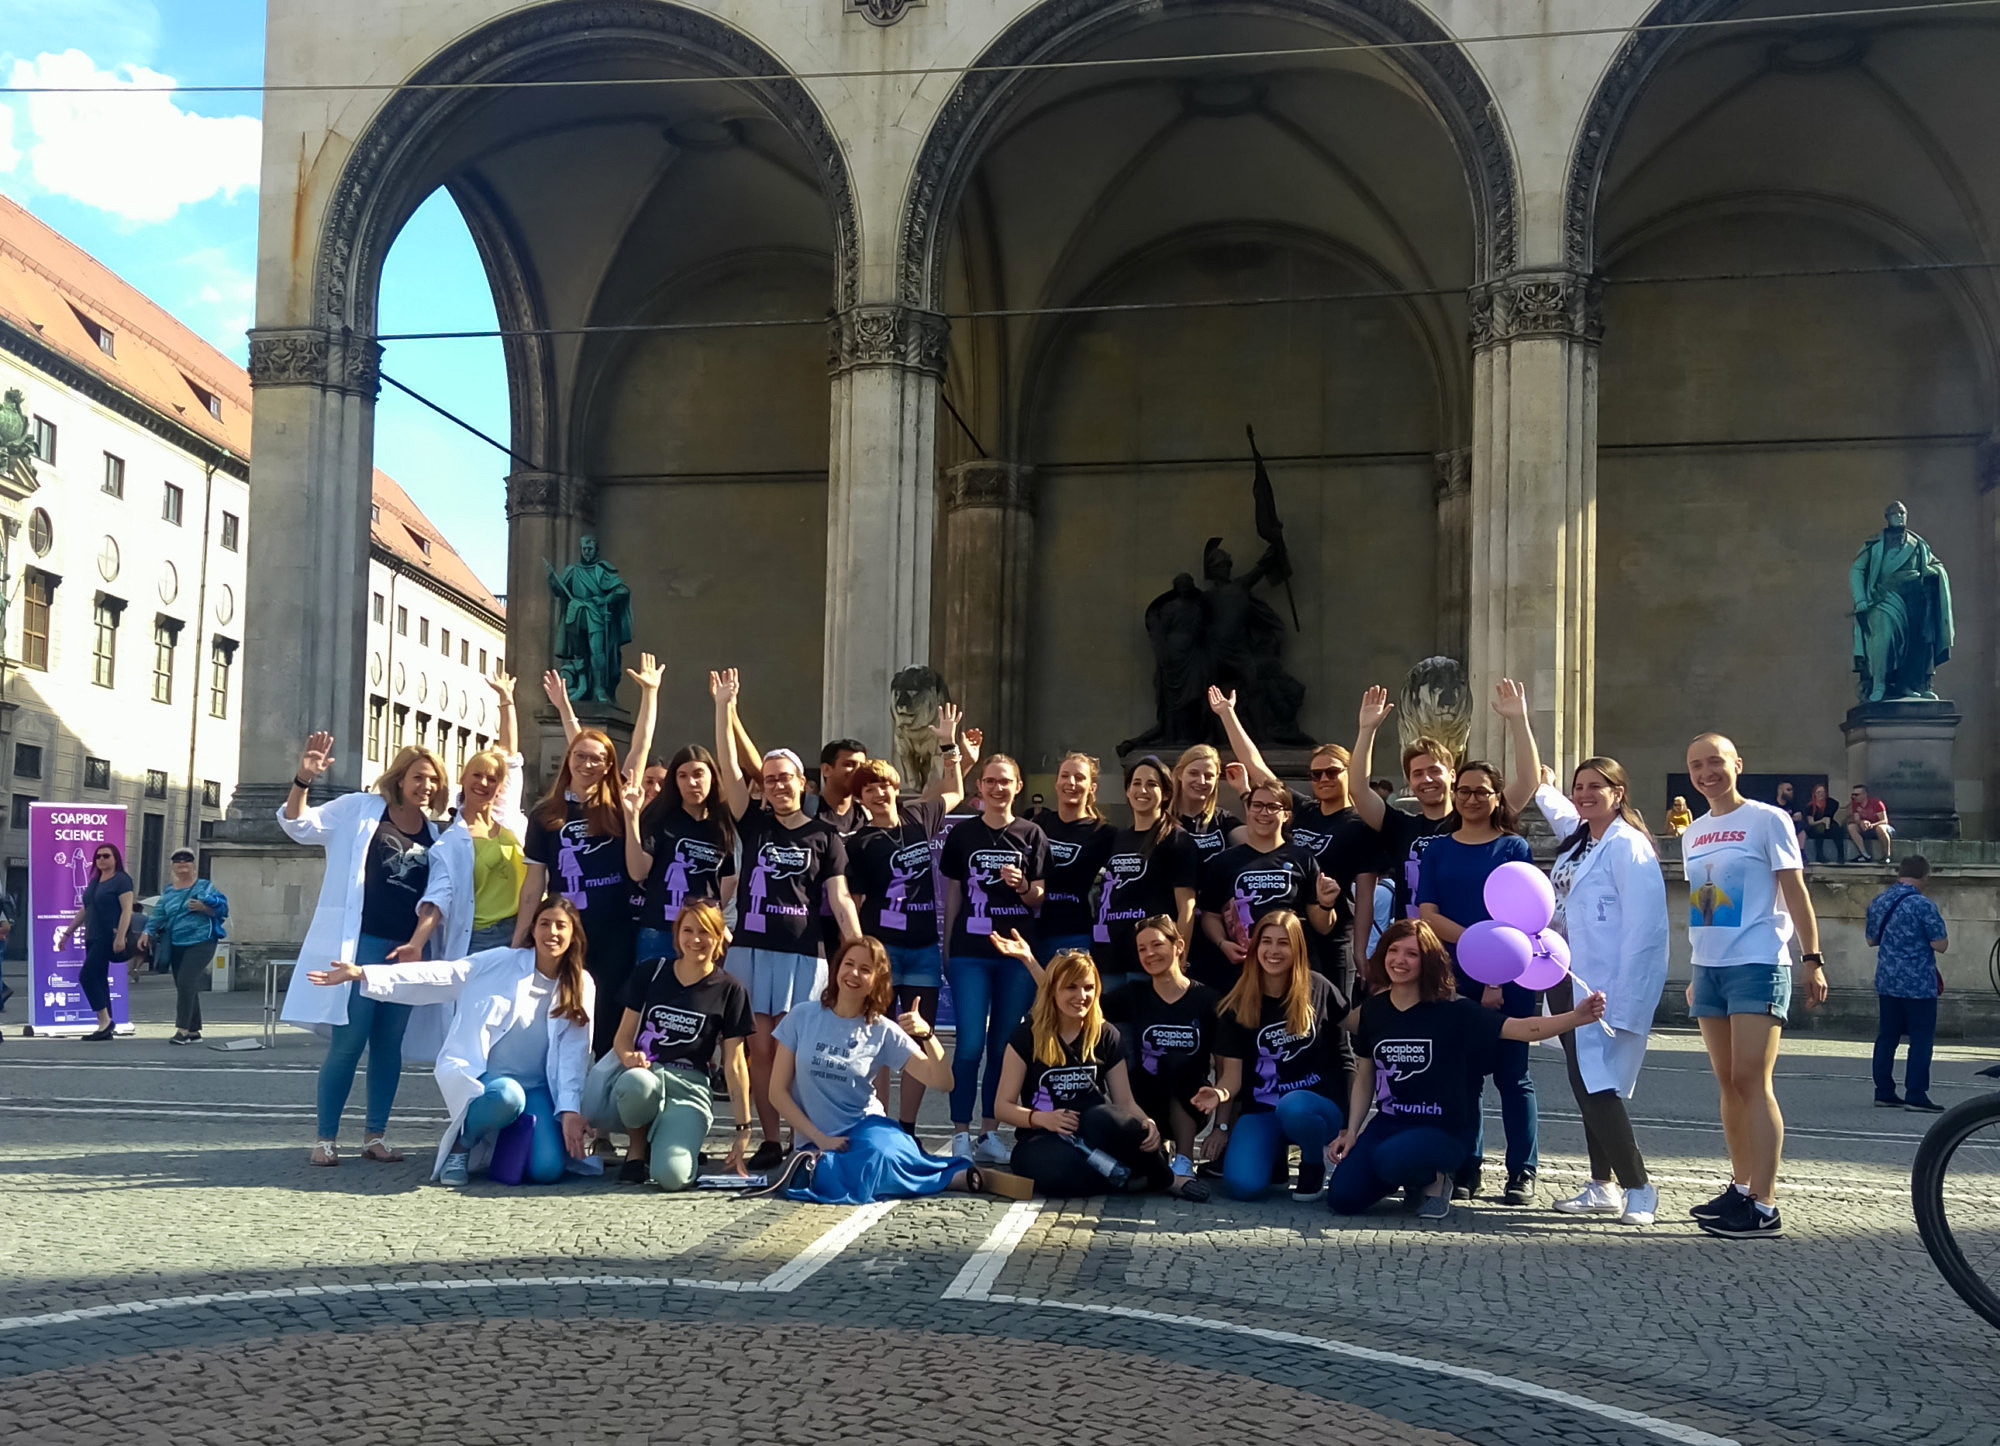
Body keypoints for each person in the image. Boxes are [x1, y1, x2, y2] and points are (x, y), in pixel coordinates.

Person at [1498, 680, 1669, 1225]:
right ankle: (1603, 1185)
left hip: (1603, 988)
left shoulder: (1628, 847)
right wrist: (1519, 721)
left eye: (1597, 786)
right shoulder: (1583, 837)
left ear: (1620, 793)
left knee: (1598, 1086)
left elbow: (1646, 933)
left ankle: (1639, 1188)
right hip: (1566, 978)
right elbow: (1542, 788)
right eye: (1580, 787)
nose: (1585, 794)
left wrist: (1621, 1000)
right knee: (1583, 1080)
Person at [308, 894, 595, 1185]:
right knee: (508, 1097)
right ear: (532, 929)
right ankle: (463, 1143)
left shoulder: (582, 984)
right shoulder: (501, 962)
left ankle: (506, 1136)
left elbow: (574, 1054)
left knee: (547, 1170)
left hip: (538, 1088)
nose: (552, 933)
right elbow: (443, 974)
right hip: (491, 1082)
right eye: (545, 924)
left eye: (561, 926)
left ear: (573, 934)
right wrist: (364, 973)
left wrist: (570, 1110)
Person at [1328, 920, 1607, 1219]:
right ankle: (1407, 1177)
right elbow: (1365, 1076)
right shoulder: (1374, 1010)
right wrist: (1352, 1132)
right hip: (1390, 1123)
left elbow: (1524, 1029)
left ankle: (1436, 1178)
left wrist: (1576, 1017)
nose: (1400, 960)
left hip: (1442, 1129)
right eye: (1393, 950)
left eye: (1412, 953)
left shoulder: (1454, 1011)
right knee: (1342, 1198)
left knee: (1389, 1159)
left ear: (1428, 961)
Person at [711, 669, 862, 1169]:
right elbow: (730, 770)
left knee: (794, 1056)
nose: (777, 785)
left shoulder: (826, 836)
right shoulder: (751, 821)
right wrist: (724, 707)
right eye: (770, 779)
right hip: (752, 950)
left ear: (804, 783)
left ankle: (802, 1139)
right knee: (758, 1052)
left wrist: (860, 952)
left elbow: (840, 901)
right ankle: (770, 1140)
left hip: (804, 955)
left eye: (785, 778)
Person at [1682, 731, 1827, 1239]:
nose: (1707, 773)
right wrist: (1698, 966)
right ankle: (1741, 1188)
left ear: (1737, 764)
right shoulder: (1693, 831)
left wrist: (1812, 957)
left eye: (1715, 762)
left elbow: (1794, 888)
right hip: (1711, 968)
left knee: (1751, 1080)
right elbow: (1707, 899)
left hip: (1759, 961)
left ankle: (1765, 1204)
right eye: (1697, 766)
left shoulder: (1769, 819)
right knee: (1726, 1083)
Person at [279, 734, 449, 1165]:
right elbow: (299, 826)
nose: (425, 786)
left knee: (389, 1046)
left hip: (406, 952)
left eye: (433, 780)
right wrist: (304, 778)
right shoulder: (360, 809)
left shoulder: (436, 834)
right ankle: (325, 1139)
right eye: (418, 777)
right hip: (362, 944)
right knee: (349, 1041)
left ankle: (375, 1135)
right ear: (400, 777)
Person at [1415, 737, 1537, 1204]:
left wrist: (1493, 971)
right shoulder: (1439, 849)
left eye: (1481, 791)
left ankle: (1522, 1171)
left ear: (1496, 797)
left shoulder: (1513, 846)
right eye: (1463, 791)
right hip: (1452, 975)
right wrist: (1477, 948)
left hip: (1508, 976)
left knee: (1512, 1076)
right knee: (1463, 1077)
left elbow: (1520, 914)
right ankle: (1469, 1164)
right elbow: (1428, 912)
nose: (1470, 799)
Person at [768, 936, 977, 1202]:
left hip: (867, 1129)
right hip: (815, 1140)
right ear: (837, 968)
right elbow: (777, 1092)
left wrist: (928, 1036)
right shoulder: (802, 1016)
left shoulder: (882, 1029)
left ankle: (947, 1176)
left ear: (877, 980)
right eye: (849, 964)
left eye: (865, 969)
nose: (854, 974)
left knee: (880, 1154)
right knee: (827, 1172)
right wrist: (819, 1137)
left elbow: (943, 1082)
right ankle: (940, 1177)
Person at [992, 947, 1207, 1200]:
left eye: (1088, 987)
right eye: (1070, 987)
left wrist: (1147, 1122)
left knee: (1112, 1120)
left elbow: (1125, 1101)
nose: (1081, 996)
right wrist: (1042, 1119)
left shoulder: (1106, 1034)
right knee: (1061, 1175)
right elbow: (1002, 1107)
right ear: (1052, 991)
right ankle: (1124, 1177)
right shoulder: (1026, 1035)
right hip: (1043, 1134)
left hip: (1096, 1127)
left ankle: (1165, 1179)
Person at [1208, 686, 1380, 988]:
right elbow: (1256, 765)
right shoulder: (1302, 809)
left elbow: (1366, 893)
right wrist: (1227, 714)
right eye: (1316, 775)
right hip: (1292, 937)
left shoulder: (1359, 823)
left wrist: (1360, 949)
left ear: (1347, 772)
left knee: (1331, 1013)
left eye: (1331, 772)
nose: (1323, 779)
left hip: (1335, 932)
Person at [843, 714, 968, 1129]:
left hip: (922, 951)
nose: (879, 793)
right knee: (878, 1038)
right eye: (870, 788)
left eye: (885, 785)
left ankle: (909, 1126)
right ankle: (876, 1120)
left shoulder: (919, 818)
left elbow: (954, 790)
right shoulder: (858, 843)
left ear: (897, 789)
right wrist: (859, 955)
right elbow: (855, 901)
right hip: (883, 951)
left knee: (917, 1037)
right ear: (861, 798)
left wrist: (949, 746)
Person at [583, 899, 754, 1188]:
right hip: (646, 1075)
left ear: (719, 936)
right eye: (687, 931)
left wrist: (743, 1129)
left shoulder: (731, 989)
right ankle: (636, 1153)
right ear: (677, 934)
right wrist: (629, 1058)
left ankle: (668, 1142)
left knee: (672, 1177)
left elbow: (736, 1065)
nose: (695, 939)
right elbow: (623, 1038)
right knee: (637, 1084)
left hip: (690, 1086)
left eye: (705, 932)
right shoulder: (652, 971)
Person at [940, 753, 1051, 1165]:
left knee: (1003, 1046)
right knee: (968, 1043)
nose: (997, 788)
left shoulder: (1032, 834)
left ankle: (990, 1131)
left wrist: (1024, 887)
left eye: (1005, 781)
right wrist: (948, 946)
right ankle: (959, 1132)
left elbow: (1040, 896)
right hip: (970, 953)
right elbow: (952, 894)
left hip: (1017, 954)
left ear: (1017, 787)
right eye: (990, 781)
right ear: (980, 788)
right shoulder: (963, 836)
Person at [516, 727, 647, 1060]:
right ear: (569, 760)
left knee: (608, 1015)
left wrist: (650, 695)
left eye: (598, 759)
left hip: (615, 930)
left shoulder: (621, 808)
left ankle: (600, 1099)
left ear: (608, 766)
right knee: (563, 1011)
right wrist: (520, 938)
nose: (588, 765)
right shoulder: (545, 814)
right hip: (565, 933)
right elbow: (533, 885)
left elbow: (641, 743)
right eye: (581, 756)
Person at [1213, 910, 1350, 1200]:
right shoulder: (1236, 1002)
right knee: (1243, 1186)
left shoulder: (1319, 987)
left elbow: (1345, 1053)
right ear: (1255, 947)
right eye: (1266, 942)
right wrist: (1219, 1100)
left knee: (1293, 1106)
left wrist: (1349, 1124)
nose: (1273, 951)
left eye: (1283, 943)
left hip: (1316, 1108)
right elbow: (1231, 1078)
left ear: (1297, 948)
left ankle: (1312, 1162)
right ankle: (1273, 1156)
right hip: (1262, 1108)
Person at [403, 671, 528, 965]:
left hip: (523, 933)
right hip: (479, 940)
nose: (484, 783)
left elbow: (509, 754)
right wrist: (416, 944)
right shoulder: (450, 843)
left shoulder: (508, 817)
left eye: (492, 778)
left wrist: (506, 700)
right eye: (477, 775)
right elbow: (437, 899)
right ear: (463, 777)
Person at [1100, 916, 1238, 1173]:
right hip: (1143, 1103)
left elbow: (1227, 1071)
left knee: (1175, 1061)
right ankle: (1156, 1149)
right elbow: (1077, 1007)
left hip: (1192, 1101)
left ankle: (1185, 1160)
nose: (1149, 953)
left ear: (1178, 946)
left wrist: (1221, 1128)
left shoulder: (1209, 1001)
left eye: (1157, 944)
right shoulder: (1133, 995)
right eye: (1142, 949)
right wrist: (1030, 961)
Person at [1197, 777, 1337, 983]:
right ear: (1248, 810)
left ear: (1286, 814)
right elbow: (1210, 915)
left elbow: (1324, 927)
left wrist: (1326, 904)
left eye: (1273, 807)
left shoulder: (1302, 859)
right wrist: (1222, 943)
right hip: (1242, 970)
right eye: (1257, 805)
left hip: (1293, 969)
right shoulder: (1225, 861)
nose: (1264, 812)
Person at [1092, 755, 1200, 993]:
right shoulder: (1116, 839)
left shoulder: (1177, 839)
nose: (1143, 790)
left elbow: (1187, 906)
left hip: (1152, 960)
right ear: (1128, 791)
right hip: (1110, 957)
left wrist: (1179, 957)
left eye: (1152, 784)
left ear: (1166, 793)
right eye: (1136, 783)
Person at [1350, 687, 1457, 924]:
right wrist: (1367, 730)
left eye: (1434, 771)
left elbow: (1525, 785)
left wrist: (1519, 719)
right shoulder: (1401, 826)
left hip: (1460, 943)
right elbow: (1358, 789)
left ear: (1452, 775)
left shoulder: (1472, 823)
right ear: (1409, 782)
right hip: (1410, 943)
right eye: (1418, 774)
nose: (1427, 779)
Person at [634, 744, 738, 966]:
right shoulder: (660, 818)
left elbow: (728, 877)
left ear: (712, 777)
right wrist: (630, 816)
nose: (691, 782)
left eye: (698, 774)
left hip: (704, 935)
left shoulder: (721, 823)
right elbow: (639, 870)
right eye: (682, 776)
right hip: (661, 931)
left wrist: (711, 913)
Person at [1866, 855, 1949, 1113]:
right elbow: (1940, 944)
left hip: (1888, 979)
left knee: (1887, 1036)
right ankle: (1915, 1093)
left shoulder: (1879, 901)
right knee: (1921, 1039)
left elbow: (1871, 940)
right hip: (1918, 982)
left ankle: (1884, 1091)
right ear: (1924, 876)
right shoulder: (1923, 905)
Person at [1029, 752, 1116, 963]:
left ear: (1092, 787)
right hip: (1032, 933)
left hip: (1076, 933)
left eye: (1080, 777)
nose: (1071, 783)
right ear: (1056, 782)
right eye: (1065, 776)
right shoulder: (1038, 824)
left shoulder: (1104, 834)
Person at [143, 849, 229, 1045]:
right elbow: (158, 915)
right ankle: (193, 1030)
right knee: (185, 985)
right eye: (177, 860)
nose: (182, 863)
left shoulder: (205, 887)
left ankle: (182, 1030)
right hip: (176, 943)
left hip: (202, 941)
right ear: (172, 866)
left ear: (194, 865)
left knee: (186, 981)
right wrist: (146, 931)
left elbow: (223, 909)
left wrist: (204, 907)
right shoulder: (168, 891)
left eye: (187, 860)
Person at [54, 843, 135, 1041]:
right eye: (98, 857)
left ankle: (105, 1021)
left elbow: (127, 910)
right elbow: (85, 910)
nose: (101, 860)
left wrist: (120, 936)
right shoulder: (95, 881)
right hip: (92, 936)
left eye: (106, 856)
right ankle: (105, 1025)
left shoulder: (121, 880)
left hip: (108, 935)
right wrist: (67, 933)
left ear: (115, 858)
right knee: (98, 978)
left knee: (87, 976)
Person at [1847, 786, 1893, 865]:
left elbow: (1885, 821)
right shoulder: (1855, 804)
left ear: (1865, 794)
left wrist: (1872, 825)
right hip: (1866, 828)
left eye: (1857, 795)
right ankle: (1864, 854)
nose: (1854, 797)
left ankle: (1887, 855)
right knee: (1851, 826)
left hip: (1882, 827)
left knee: (1880, 828)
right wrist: (1861, 822)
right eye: (1853, 794)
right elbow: (1856, 819)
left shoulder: (1876, 803)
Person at [1799, 784, 1841, 864]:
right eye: (1818, 792)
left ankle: (1840, 855)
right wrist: (1822, 821)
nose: (1821, 794)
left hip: (1828, 826)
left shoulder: (1830, 803)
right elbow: (1811, 822)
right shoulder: (1810, 806)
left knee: (1836, 829)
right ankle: (1819, 855)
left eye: (1823, 792)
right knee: (1820, 829)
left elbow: (1830, 814)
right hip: (1815, 827)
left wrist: (1827, 823)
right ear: (1814, 794)